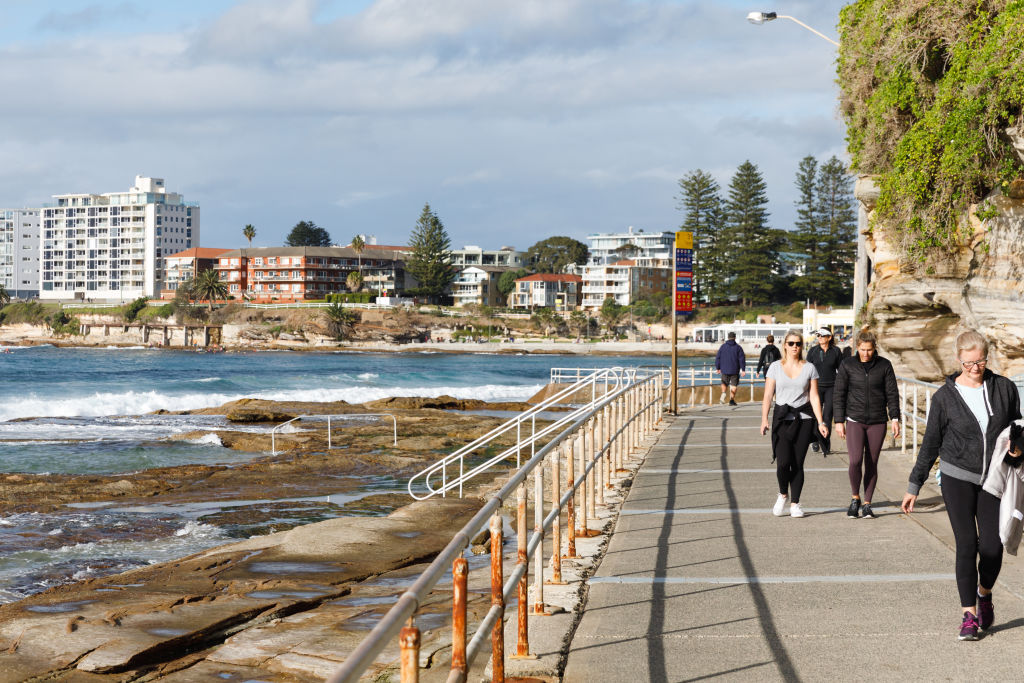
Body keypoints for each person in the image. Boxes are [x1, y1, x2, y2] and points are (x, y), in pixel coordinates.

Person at [902, 330, 1021, 640]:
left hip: (994, 478)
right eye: (968, 363)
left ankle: (984, 594)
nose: (975, 367)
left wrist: (1018, 446)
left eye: (980, 361)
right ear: (958, 360)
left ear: (987, 357)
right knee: (967, 544)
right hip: (957, 476)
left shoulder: (1004, 389)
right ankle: (968, 615)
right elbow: (931, 442)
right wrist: (915, 484)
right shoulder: (945, 396)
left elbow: (1017, 425)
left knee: (993, 548)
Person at [760, 328, 829, 518]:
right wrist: (764, 418)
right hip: (783, 419)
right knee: (783, 463)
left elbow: (814, 397)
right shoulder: (775, 367)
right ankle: (783, 494)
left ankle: (795, 503)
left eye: (798, 344)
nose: (795, 347)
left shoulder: (809, 368)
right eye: (791, 343)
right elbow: (767, 395)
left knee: (797, 464)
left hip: (804, 420)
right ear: (784, 345)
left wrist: (821, 422)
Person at [833, 329, 901, 520]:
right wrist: (839, 420)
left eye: (869, 350)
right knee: (855, 460)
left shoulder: (884, 365)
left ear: (874, 349)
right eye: (862, 349)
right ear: (857, 348)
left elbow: (892, 394)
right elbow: (839, 394)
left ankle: (867, 504)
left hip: (878, 421)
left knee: (872, 462)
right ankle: (855, 498)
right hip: (854, 419)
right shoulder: (847, 364)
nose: (865, 354)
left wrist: (895, 418)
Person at [806, 327, 845, 453]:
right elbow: (806, 369)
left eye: (823, 336)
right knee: (816, 415)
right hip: (815, 387)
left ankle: (825, 445)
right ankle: (815, 440)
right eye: (818, 335)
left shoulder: (836, 351)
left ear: (829, 337)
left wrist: (843, 385)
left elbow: (842, 370)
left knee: (827, 415)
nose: (820, 338)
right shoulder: (813, 351)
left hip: (831, 387)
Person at [715, 331, 745, 406]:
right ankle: (731, 400)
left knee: (724, 383)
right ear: (735, 338)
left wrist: (718, 368)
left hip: (724, 369)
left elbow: (718, 358)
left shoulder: (723, 347)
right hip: (735, 370)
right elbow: (742, 359)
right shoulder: (738, 347)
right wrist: (743, 369)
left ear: (728, 338)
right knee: (734, 385)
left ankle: (723, 393)